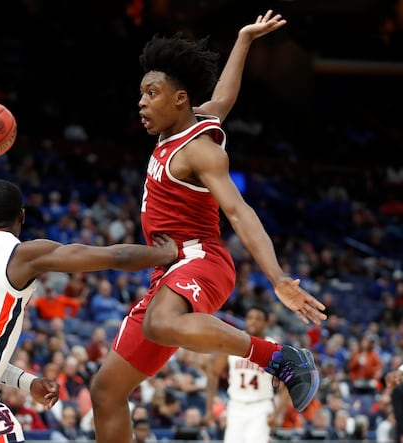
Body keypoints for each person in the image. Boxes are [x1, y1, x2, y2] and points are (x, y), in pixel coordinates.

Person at [89, 11, 327, 443]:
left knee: (160, 323)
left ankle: (280, 357)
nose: (141, 102)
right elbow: (224, 97)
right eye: (140, 93)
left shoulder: (200, 151)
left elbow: (239, 212)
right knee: (106, 390)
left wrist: (276, 277)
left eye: (151, 93)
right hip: (169, 272)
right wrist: (242, 40)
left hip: (201, 260)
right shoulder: (191, 120)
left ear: (179, 98)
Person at [0, 178, 179, 443]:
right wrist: (164, 255)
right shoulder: (21, 253)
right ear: (21, 216)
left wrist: (27, 382)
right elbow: (113, 256)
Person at [205, 305, 289, 443]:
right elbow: (213, 373)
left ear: (266, 323)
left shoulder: (274, 348)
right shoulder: (234, 341)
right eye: (249, 318)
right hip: (235, 405)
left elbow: (286, 385)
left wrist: (278, 413)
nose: (253, 322)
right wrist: (209, 409)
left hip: (261, 406)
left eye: (258, 319)